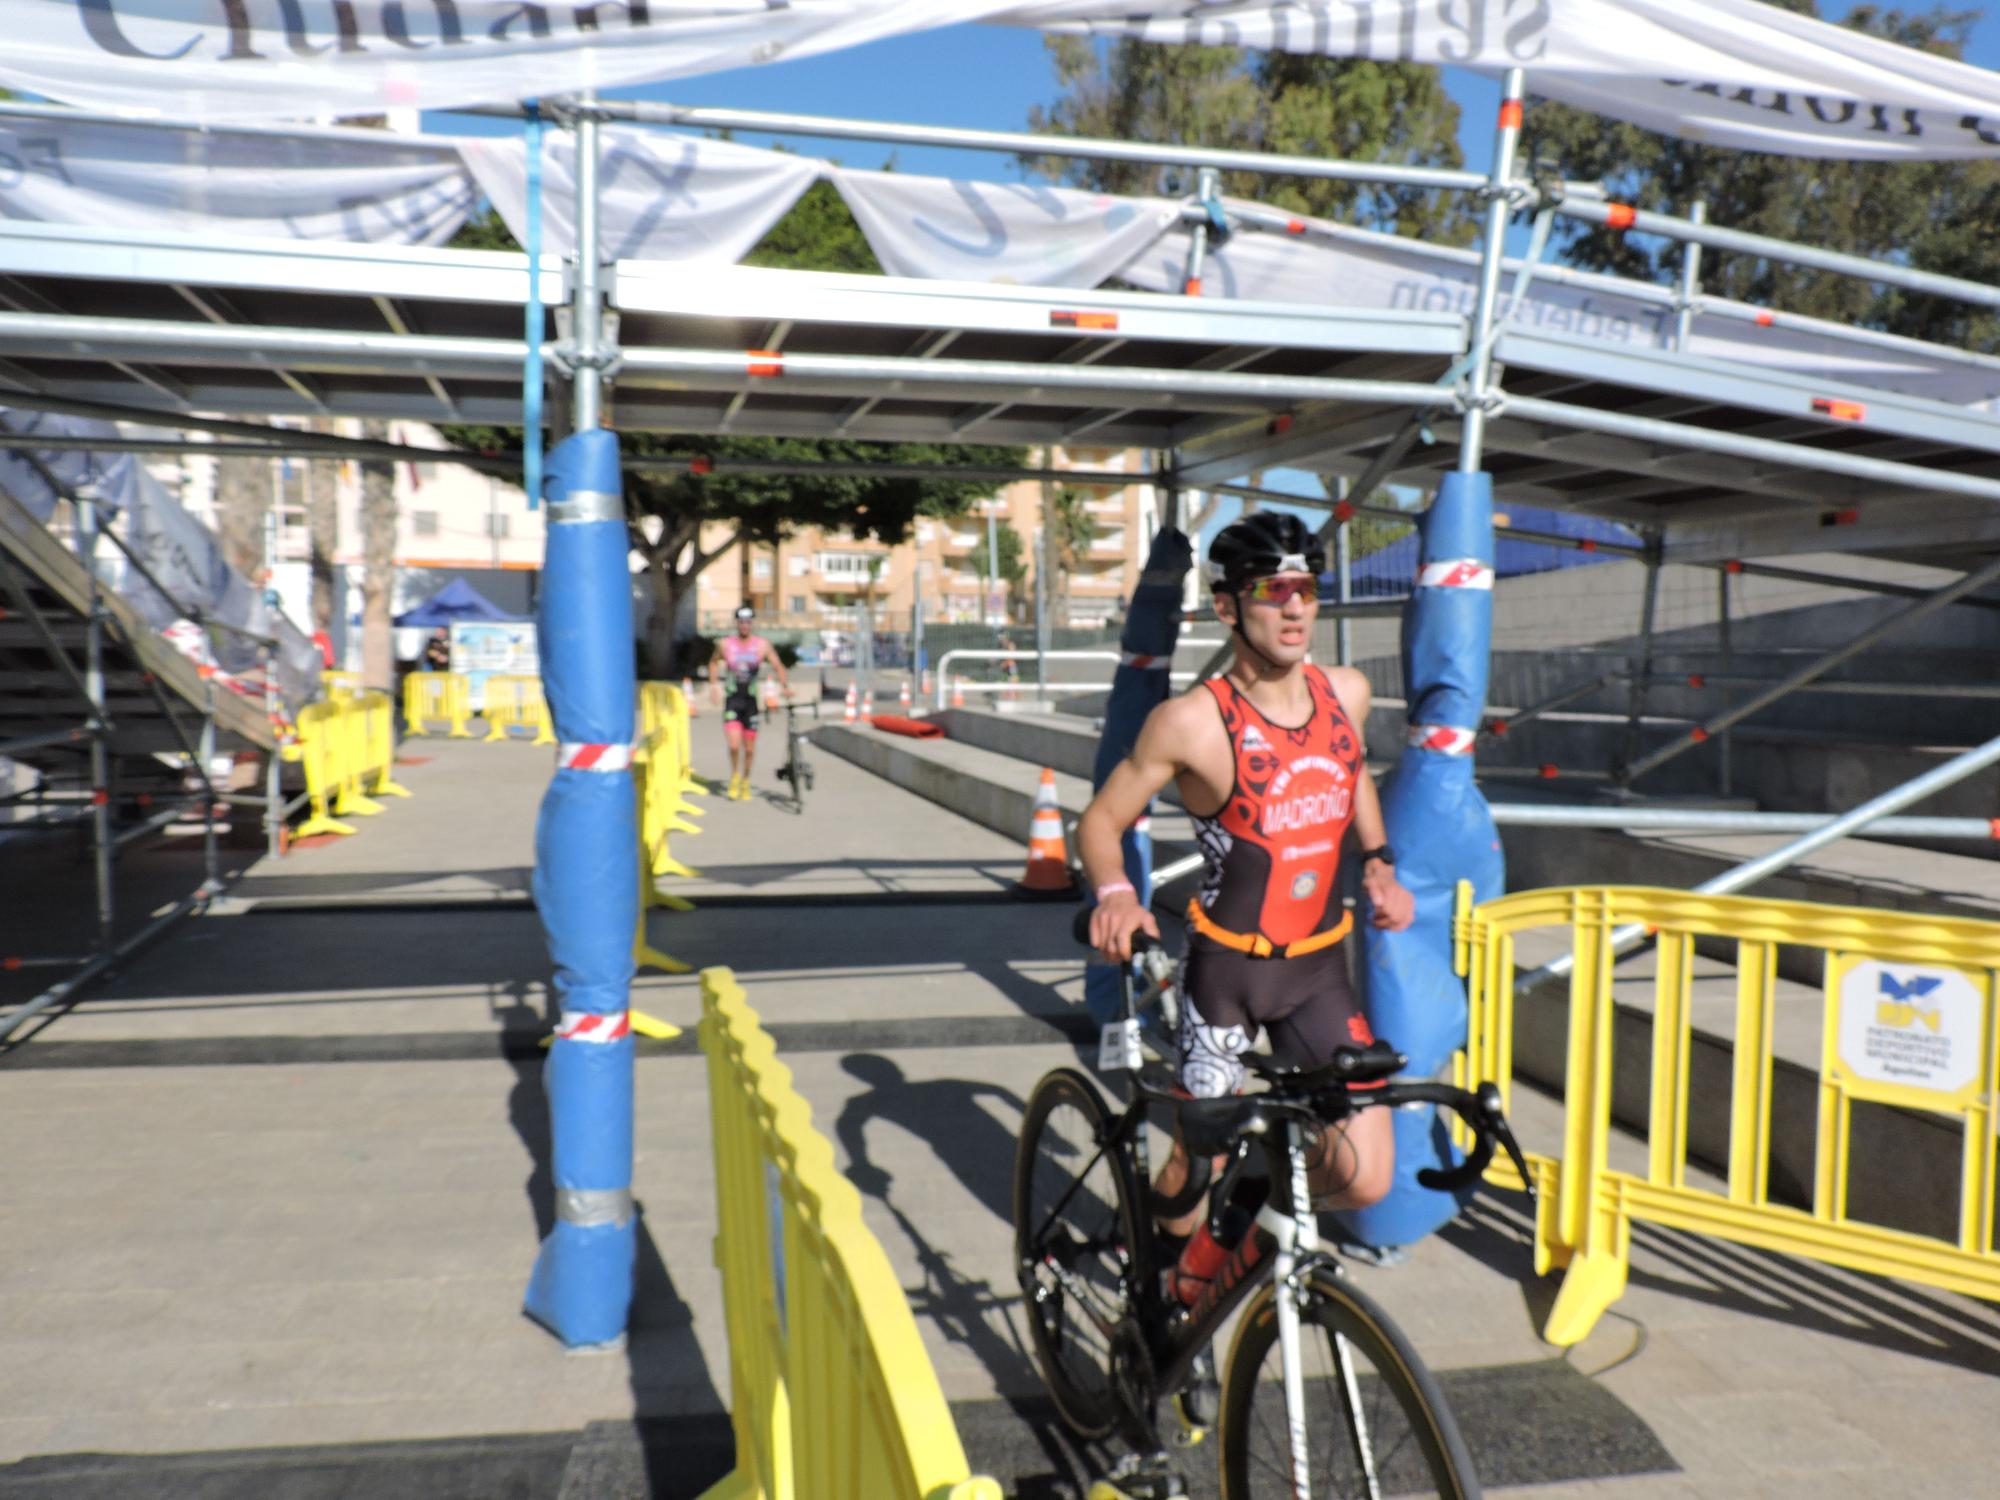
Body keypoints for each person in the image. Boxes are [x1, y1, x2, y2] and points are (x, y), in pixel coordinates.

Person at [1076, 511, 1416, 1243]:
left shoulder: (1346, 692)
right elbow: (1100, 822)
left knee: (1366, 1177)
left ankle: (1244, 1212)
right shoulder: (1191, 723)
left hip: (1320, 969)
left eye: (1306, 587)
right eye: (1271, 589)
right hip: (1227, 976)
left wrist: (1380, 861)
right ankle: (1161, 1295)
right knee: (1194, 1165)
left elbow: (1350, 771)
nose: (1294, 606)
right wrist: (1117, 896)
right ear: (1228, 606)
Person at [713, 605, 789, 801]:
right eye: (741, 622)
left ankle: (746, 779)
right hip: (732, 701)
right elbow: (713, 662)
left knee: (749, 748)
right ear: (736, 623)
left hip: (751, 704)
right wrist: (714, 686)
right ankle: (735, 777)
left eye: (748, 622)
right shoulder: (725, 644)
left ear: (752, 623)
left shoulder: (761, 645)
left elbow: (778, 665)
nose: (744, 626)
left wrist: (785, 686)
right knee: (734, 745)